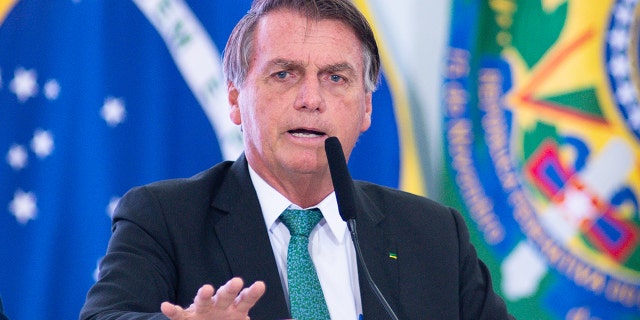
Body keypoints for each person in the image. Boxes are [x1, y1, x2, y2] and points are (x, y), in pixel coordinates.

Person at [80, 0, 514, 319]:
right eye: (284, 74)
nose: (311, 100)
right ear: (235, 99)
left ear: (366, 109)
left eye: (335, 78)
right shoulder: (164, 218)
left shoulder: (434, 233)